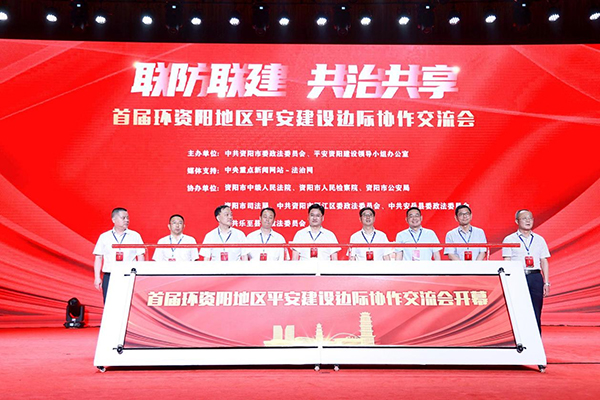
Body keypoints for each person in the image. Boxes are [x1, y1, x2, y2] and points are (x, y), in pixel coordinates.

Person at [502, 209, 551, 332]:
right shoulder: (509, 239)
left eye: (530, 218)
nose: (528, 220)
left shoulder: (539, 239)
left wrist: (546, 282)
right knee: (518, 309)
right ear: (517, 221)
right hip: (517, 277)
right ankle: (520, 337)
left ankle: (536, 338)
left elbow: (544, 260)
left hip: (535, 277)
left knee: (536, 309)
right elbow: (507, 261)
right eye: (524, 218)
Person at [93, 208, 145, 303]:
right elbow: (98, 257)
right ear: (114, 220)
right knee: (109, 303)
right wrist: (97, 277)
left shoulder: (135, 236)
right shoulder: (104, 236)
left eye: (128, 218)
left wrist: (141, 275)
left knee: (129, 303)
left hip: (129, 276)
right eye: (123, 218)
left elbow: (140, 256)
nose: (127, 220)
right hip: (110, 275)